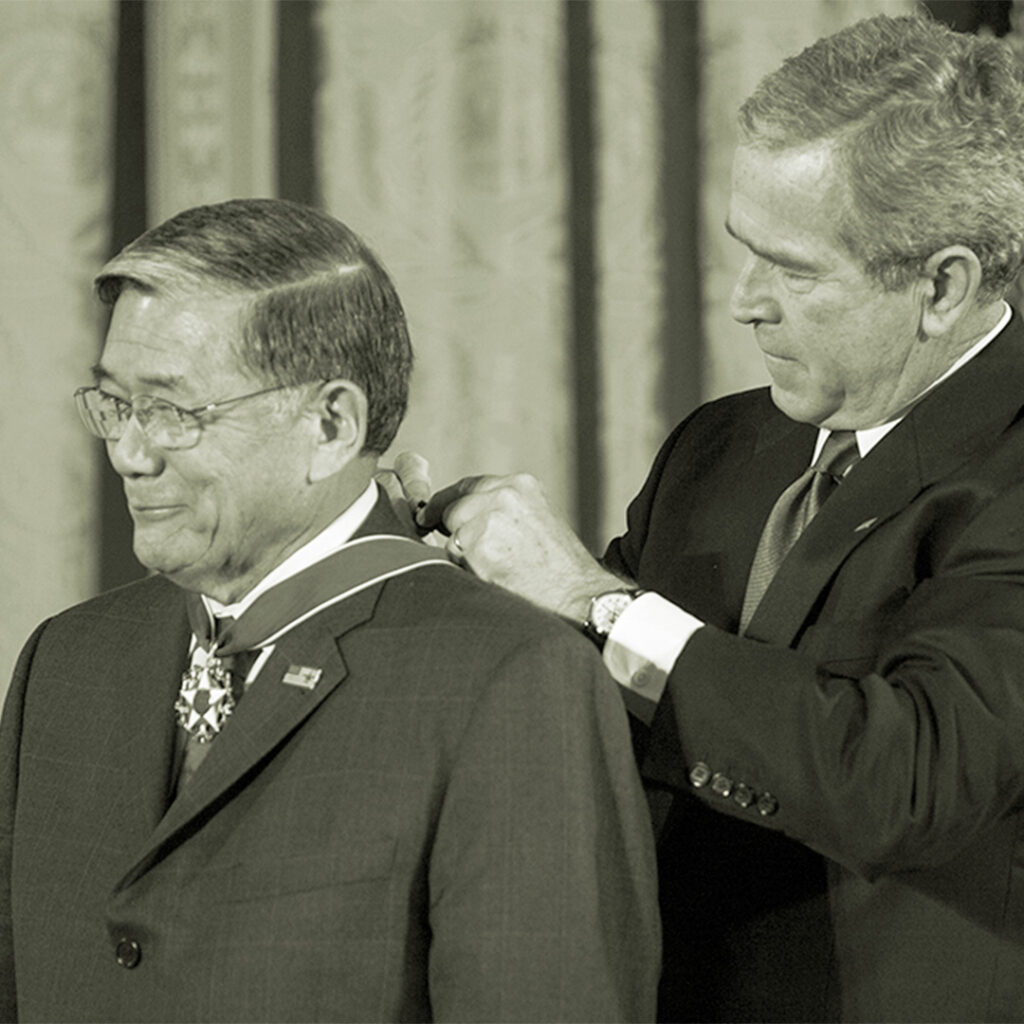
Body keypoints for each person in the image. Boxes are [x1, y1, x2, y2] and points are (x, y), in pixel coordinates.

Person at [401, 14, 1024, 1024]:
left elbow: (908, 778)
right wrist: (433, 571)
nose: (744, 302)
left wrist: (593, 600)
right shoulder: (721, 446)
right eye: (744, 250)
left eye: (795, 268)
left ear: (942, 285)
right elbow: (583, 700)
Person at [0, 198, 660, 1023]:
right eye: (116, 405)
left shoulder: (507, 679)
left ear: (330, 424)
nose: (131, 453)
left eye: (173, 410)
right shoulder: (70, 661)